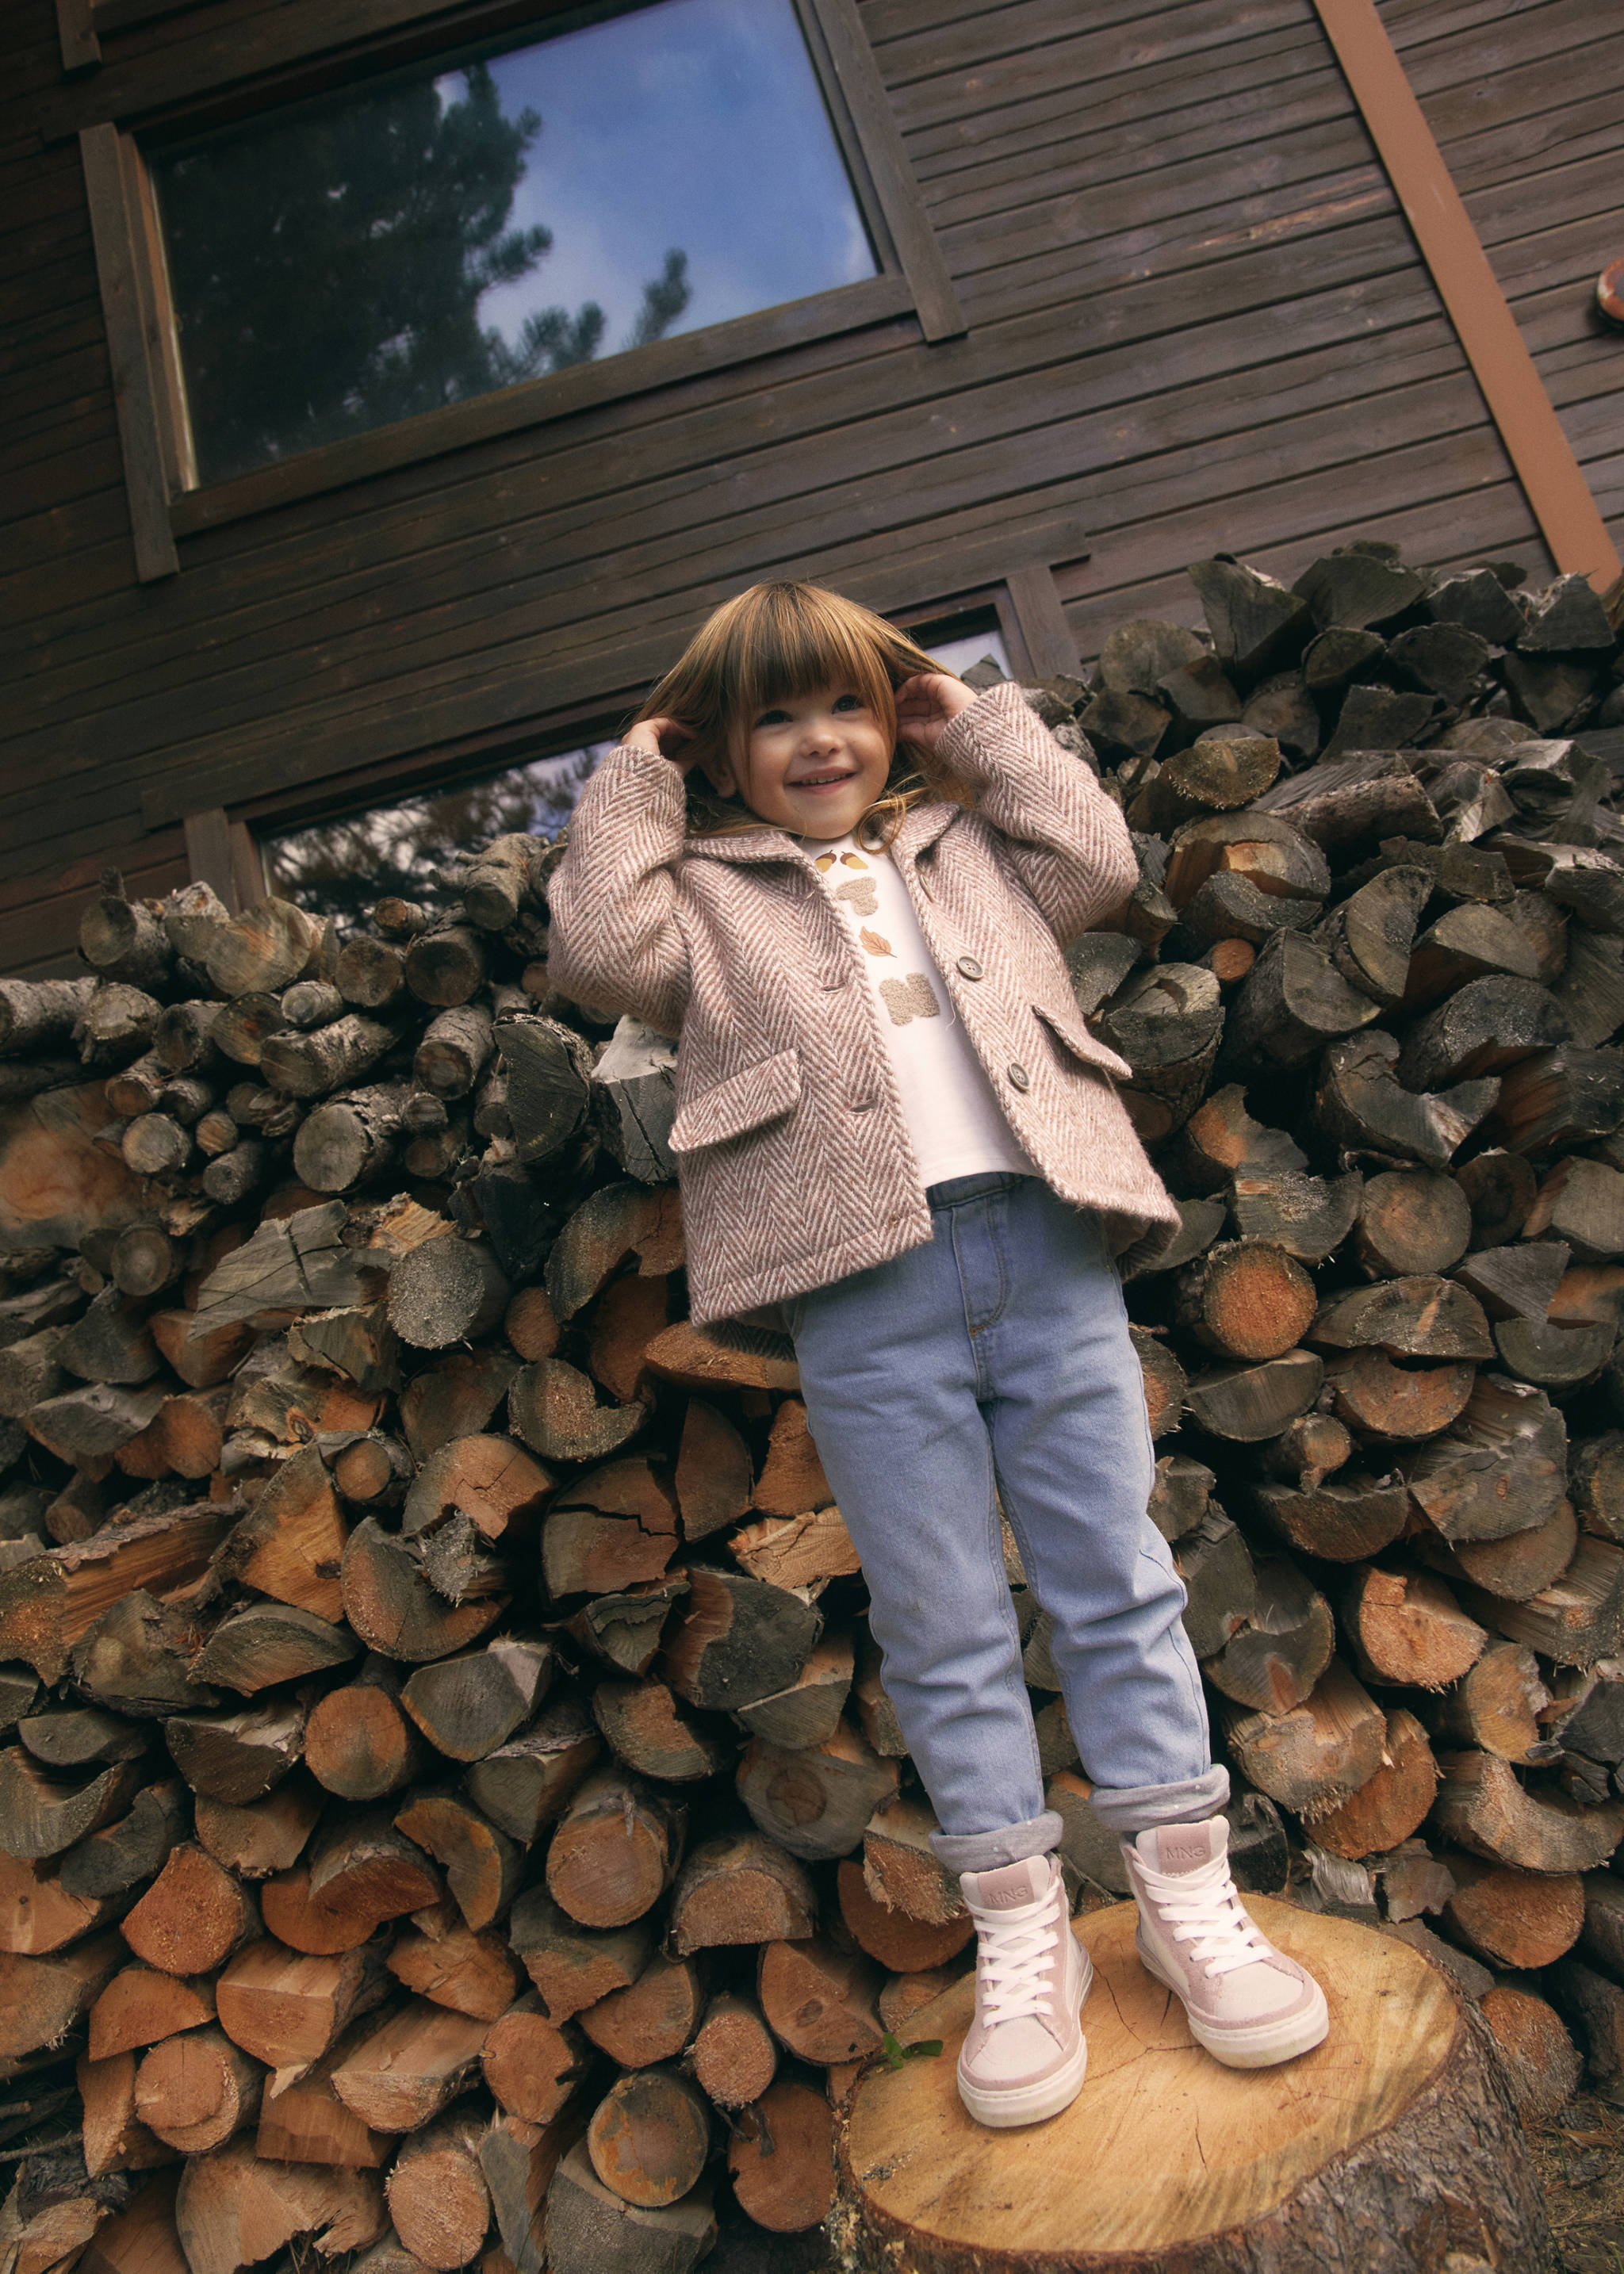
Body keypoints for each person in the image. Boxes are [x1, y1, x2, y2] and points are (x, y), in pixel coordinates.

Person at [547, 580, 1327, 2129]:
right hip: (858, 1287)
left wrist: (974, 718)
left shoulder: (970, 839)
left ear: (893, 715)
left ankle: (1187, 1902)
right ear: (718, 749)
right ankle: (1025, 1939)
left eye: (846, 704)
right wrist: (638, 769)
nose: (818, 741)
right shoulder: (696, 895)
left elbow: (1100, 859)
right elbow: (597, 948)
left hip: (1045, 1240)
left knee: (1115, 1574)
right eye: (772, 718)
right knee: (942, 1617)